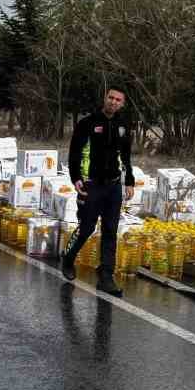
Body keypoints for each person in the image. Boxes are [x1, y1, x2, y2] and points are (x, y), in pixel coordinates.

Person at [61, 86, 135, 296]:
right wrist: (75, 178)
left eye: (118, 100)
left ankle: (106, 277)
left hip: (113, 187)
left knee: (111, 231)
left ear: (122, 104)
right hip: (91, 184)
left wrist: (129, 181)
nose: (113, 102)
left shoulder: (123, 125)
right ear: (105, 98)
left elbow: (126, 155)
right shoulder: (88, 123)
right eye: (110, 98)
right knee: (87, 228)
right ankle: (68, 257)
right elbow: (74, 153)